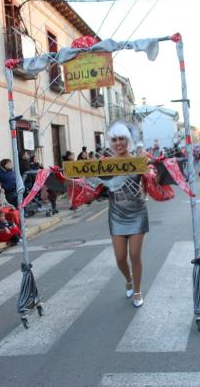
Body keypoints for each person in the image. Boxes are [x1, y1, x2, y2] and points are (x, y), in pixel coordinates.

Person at [58, 122, 151, 308]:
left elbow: (152, 180)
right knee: (120, 258)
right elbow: (88, 184)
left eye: (121, 139)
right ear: (111, 142)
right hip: (116, 215)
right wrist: (64, 180)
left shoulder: (138, 160)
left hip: (137, 213)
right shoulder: (104, 165)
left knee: (134, 254)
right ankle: (129, 278)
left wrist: (151, 169)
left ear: (128, 140)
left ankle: (138, 290)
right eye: (115, 139)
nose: (118, 143)